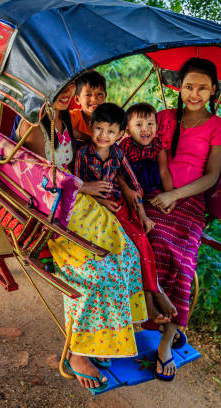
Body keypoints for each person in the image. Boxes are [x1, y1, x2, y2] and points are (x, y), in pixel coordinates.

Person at [17, 85, 149, 392]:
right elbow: (37, 177)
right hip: (52, 208)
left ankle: (107, 338)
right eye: (58, 86)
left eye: (70, 86)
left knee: (127, 253)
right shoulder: (35, 124)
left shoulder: (67, 121)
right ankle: (78, 353)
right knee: (97, 270)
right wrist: (83, 187)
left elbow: (107, 156)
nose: (65, 93)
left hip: (79, 202)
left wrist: (105, 190)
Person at [136, 58, 221, 381]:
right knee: (143, 242)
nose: (194, 93)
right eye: (189, 86)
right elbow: (146, 152)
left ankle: (165, 343)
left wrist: (174, 196)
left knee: (183, 263)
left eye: (202, 87)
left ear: (213, 90)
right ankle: (150, 315)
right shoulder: (163, 119)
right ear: (179, 86)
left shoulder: (219, 126)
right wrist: (161, 193)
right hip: (155, 195)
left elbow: (212, 175)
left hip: (189, 204)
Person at [73, 103, 172, 327]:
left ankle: (154, 292)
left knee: (143, 240)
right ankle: (150, 298)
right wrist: (101, 201)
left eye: (111, 131)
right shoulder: (82, 154)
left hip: (121, 205)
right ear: (90, 127)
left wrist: (144, 215)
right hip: (97, 206)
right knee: (130, 245)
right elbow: (78, 185)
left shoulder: (118, 153)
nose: (103, 135)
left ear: (120, 135)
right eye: (99, 129)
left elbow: (134, 186)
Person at [118, 102, 178, 323]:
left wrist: (170, 195)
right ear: (127, 128)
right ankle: (149, 296)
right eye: (139, 124)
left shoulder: (158, 145)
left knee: (165, 232)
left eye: (151, 124)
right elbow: (119, 176)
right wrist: (131, 194)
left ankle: (156, 293)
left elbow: (164, 170)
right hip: (131, 194)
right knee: (139, 236)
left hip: (150, 190)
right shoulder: (123, 147)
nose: (146, 129)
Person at [69, 71, 107, 144]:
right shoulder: (72, 117)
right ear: (77, 99)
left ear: (105, 96)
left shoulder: (110, 119)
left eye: (99, 94)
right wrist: (88, 138)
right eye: (88, 95)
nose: (94, 99)